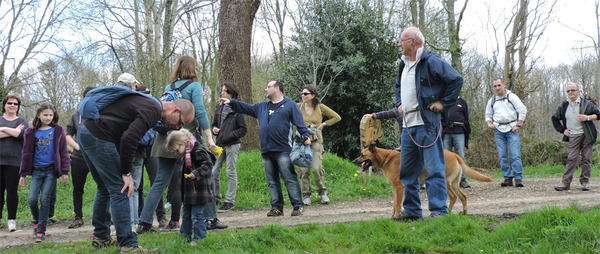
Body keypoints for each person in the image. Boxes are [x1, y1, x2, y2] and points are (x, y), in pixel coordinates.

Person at [78, 88, 193, 252]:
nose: (177, 127)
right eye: (180, 123)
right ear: (176, 110)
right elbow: (129, 138)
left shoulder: (149, 103)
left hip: (86, 131)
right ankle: (128, 245)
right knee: (121, 188)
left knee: (104, 187)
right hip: (98, 135)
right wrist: (126, 173)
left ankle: (101, 237)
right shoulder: (154, 109)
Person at [137, 55, 224, 234]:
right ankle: (210, 218)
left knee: (160, 182)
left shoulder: (169, 87)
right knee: (204, 176)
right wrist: (209, 137)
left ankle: (144, 223)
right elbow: (199, 111)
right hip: (187, 138)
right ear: (193, 69)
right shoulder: (194, 86)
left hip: (165, 141)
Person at [392, 27, 463, 221]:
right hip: (408, 126)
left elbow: (456, 80)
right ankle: (413, 211)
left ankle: (439, 211)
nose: (399, 44)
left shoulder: (431, 61)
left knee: (434, 169)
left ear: (413, 42)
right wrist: (399, 103)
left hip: (427, 124)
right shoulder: (403, 63)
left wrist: (443, 103)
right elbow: (399, 86)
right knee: (407, 171)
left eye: (402, 40)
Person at [218, 81, 311, 217]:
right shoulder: (262, 107)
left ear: (277, 88)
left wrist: (306, 135)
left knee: (289, 178)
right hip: (266, 149)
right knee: (272, 181)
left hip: (283, 148)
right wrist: (231, 102)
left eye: (268, 87)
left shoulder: (290, 105)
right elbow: (245, 107)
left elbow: (300, 123)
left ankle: (298, 205)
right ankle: (277, 207)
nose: (265, 89)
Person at [19, 103, 70, 242]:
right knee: (32, 199)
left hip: (50, 171)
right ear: (38, 115)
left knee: (45, 199)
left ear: (54, 116)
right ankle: (37, 219)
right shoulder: (30, 132)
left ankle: (41, 230)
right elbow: (26, 153)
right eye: (45, 115)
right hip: (36, 171)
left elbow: (64, 152)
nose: (48, 117)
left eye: (50, 115)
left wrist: (64, 172)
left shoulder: (58, 130)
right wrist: (22, 174)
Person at [165, 129, 216, 245]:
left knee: (197, 215)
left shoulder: (197, 150)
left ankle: (199, 238)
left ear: (183, 143)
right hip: (188, 193)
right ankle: (185, 237)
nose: (176, 154)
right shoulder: (186, 153)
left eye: (176, 151)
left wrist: (196, 173)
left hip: (199, 191)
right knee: (186, 215)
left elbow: (208, 164)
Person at [297, 85, 341, 206]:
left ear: (313, 96)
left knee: (316, 168)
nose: (303, 95)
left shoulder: (320, 107)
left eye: (305, 94)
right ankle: (306, 195)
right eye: (302, 93)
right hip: (302, 142)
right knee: (303, 169)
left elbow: (337, 117)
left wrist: (324, 124)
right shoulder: (297, 106)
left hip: (316, 141)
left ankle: (322, 192)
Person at [551, 83, 600, 191]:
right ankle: (565, 183)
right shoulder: (564, 106)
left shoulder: (586, 104)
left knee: (586, 159)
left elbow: (598, 115)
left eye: (573, 90)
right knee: (571, 159)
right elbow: (554, 118)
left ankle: (585, 183)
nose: (570, 92)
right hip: (573, 135)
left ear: (579, 91)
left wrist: (587, 117)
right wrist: (562, 130)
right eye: (568, 91)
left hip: (587, 135)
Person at [135, 85, 168, 228]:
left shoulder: (156, 107)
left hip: (153, 149)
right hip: (138, 149)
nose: (148, 96)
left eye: (149, 93)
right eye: (145, 94)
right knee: (139, 186)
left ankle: (161, 217)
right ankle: (141, 217)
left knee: (157, 182)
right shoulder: (134, 108)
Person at [212, 82, 247, 213]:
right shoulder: (219, 108)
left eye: (225, 91)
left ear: (232, 93)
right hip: (219, 145)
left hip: (232, 144)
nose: (222, 93)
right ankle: (216, 198)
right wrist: (214, 129)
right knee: (214, 171)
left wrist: (228, 136)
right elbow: (214, 124)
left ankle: (229, 201)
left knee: (230, 171)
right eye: (222, 91)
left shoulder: (238, 109)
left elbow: (243, 129)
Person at [485, 78, 527, 187]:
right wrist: (490, 124)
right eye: (495, 86)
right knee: (502, 155)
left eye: (499, 85)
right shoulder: (492, 100)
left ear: (504, 85)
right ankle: (507, 178)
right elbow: (488, 114)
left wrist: (519, 124)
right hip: (498, 129)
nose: (497, 88)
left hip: (511, 128)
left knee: (515, 154)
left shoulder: (511, 97)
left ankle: (518, 178)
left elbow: (522, 109)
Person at [65, 87, 95, 229]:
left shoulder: (102, 114)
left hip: (98, 158)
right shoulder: (76, 115)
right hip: (79, 157)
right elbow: (68, 135)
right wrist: (77, 147)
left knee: (105, 187)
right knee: (78, 188)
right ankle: (78, 217)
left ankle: (106, 216)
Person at [0, 95, 28, 232]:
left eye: (15, 103)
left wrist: (2, 130)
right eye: (9, 103)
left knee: (12, 191)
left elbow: (23, 135)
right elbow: (17, 133)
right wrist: (13, 131)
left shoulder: (23, 120)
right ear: (4, 105)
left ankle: (12, 220)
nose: (12, 105)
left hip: (14, 161)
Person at [442, 96, 472, 188]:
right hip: (445, 132)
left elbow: (466, 117)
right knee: (446, 158)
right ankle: (447, 180)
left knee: (460, 156)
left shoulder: (462, 101)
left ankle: (462, 179)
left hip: (459, 131)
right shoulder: (443, 99)